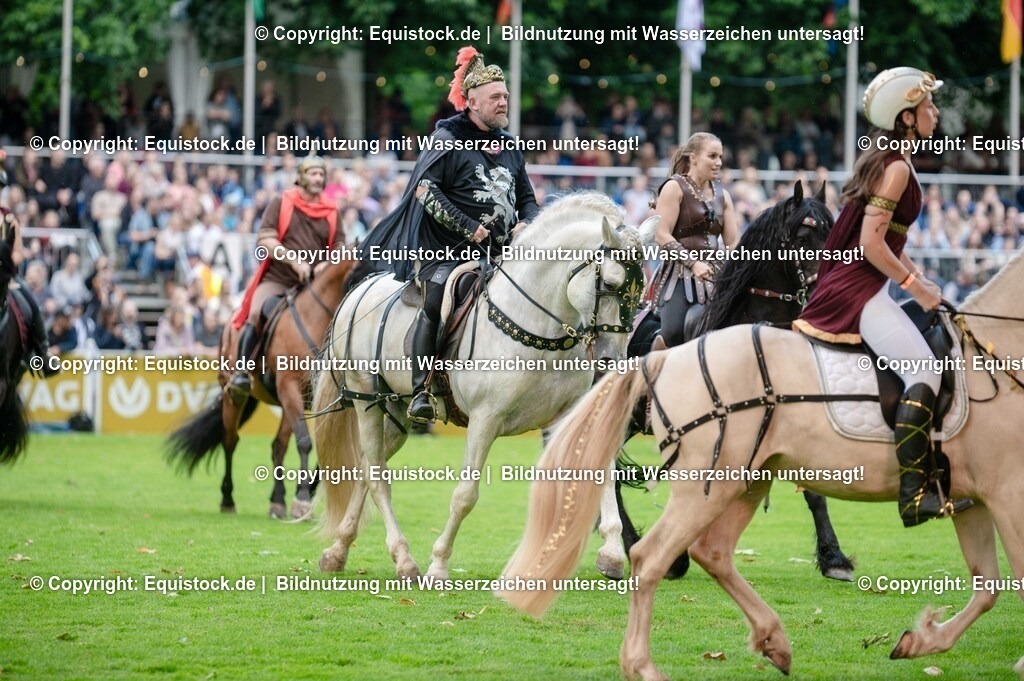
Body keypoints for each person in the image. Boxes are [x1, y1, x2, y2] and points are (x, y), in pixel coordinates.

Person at [792, 67, 972, 527]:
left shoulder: (895, 161)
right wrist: (915, 287)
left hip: (865, 283)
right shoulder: (895, 169)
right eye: (928, 106)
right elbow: (871, 245)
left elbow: (890, 241)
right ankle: (914, 494)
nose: (935, 112)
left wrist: (921, 279)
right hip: (857, 289)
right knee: (925, 369)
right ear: (907, 117)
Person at [358, 46, 540, 423]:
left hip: (502, 253)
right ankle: (421, 388)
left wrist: (529, 221)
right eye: (496, 97)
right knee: (437, 300)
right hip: (445, 252)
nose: (504, 103)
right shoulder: (446, 140)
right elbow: (425, 192)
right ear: (472, 102)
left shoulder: (510, 146)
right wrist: (469, 227)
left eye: (505, 96)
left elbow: (527, 198)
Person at [227, 155, 341, 400]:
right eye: (313, 173)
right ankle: (242, 373)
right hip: (278, 279)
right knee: (255, 312)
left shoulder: (331, 210)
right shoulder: (282, 201)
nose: (318, 178)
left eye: (321, 174)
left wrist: (326, 264)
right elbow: (266, 240)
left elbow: (340, 247)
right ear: (301, 177)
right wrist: (293, 260)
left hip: (314, 285)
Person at [647, 132, 739, 349]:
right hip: (678, 275)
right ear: (693, 157)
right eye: (712, 156)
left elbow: (733, 243)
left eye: (720, 157)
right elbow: (661, 234)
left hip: (716, 275)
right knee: (673, 332)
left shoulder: (724, 195)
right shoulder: (674, 187)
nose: (718, 162)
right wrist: (693, 263)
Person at [1, 151, 57, 375]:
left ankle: (42, 353)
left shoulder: (9, 219)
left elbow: (18, 254)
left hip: (5, 278)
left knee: (29, 303)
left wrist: (6, 261)